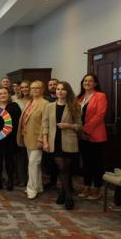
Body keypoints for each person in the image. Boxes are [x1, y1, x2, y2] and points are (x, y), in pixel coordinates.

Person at [42, 81, 81, 210]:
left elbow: (79, 126)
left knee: (67, 169)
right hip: (54, 142)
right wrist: (45, 141)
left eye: (63, 89)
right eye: (58, 89)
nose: (60, 91)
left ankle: (63, 193)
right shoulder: (49, 106)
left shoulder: (74, 105)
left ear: (67, 91)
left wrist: (67, 126)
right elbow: (45, 125)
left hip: (69, 141)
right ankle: (69, 197)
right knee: (62, 167)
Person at [77, 73, 107, 200]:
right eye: (85, 80)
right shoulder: (79, 98)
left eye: (90, 81)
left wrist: (85, 129)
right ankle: (87, 186)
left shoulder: (100, 96)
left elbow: (100, 115)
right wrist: (80, 131)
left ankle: (97, 188)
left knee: (96, 163)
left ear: (95, 83)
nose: (87, 83)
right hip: (82, 136)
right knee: (86, 162)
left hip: (96, 135)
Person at [17, 80, 49, 199]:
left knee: (33, 164)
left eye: (37, 88)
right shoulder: (30, 102)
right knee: (35, 164)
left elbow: (45, 123)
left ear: (42, 89)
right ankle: (39, 186)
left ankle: (31, 189)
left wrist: (42, 139)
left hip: (37, 139)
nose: (34, 90)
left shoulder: (45, 103)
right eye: (32, 88)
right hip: (27, 137)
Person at [0, 86, 21, 191]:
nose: (2, 95)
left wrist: (8, 131)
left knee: (9, 161)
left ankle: (10, 181)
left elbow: (17, 122)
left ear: (9, 95)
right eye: (0, 94)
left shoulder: (14, 106)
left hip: (9, 139)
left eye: (4, 93)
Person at [14, 80, 31, 186]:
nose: (24, 89)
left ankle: (31, 180)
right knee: (20, 157)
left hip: (32, 132)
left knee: (32, 158)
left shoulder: (34, 101)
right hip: (19, 132)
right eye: (22, 87)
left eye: (26, 87)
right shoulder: (17, 101)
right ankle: (22, 179)